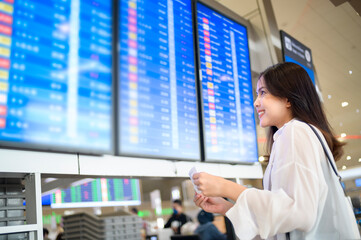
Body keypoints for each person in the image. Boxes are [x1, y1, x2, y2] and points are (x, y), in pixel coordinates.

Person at [193, 62, 360, 239]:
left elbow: (298, 213)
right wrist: (227, 208)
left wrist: (226, 187)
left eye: (263, 92)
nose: (256, 102)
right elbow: (283, 224)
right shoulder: (297, 134)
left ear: (287, 98)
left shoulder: (296, 131)